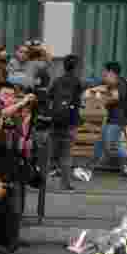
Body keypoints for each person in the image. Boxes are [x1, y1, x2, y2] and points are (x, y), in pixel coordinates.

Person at [45, 54, 84, 191]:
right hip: (70, 122)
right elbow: (79, 102)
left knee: (50, 154)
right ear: (76, 67)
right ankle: (65, 184)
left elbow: (49, 97)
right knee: (66, 154)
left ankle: (43, 183)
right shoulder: (78, 82)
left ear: (64, 66)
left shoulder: (57, 81)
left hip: (55, 122)